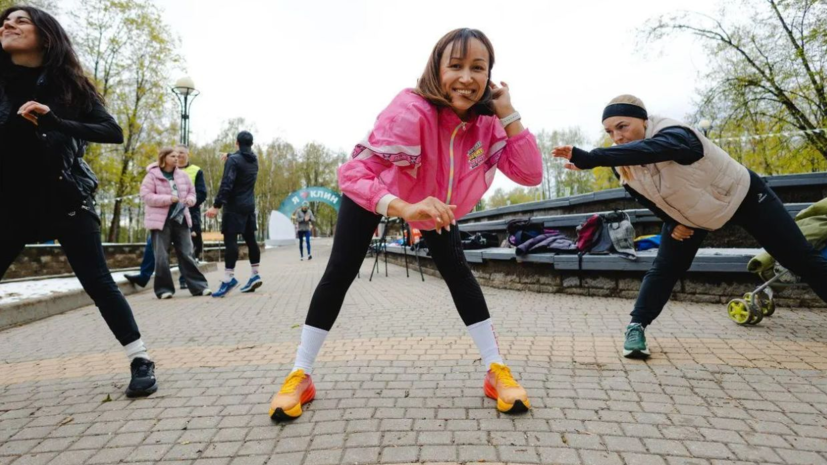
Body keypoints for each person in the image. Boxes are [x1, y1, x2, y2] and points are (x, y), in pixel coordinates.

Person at [267, 28, 543, 421]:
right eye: (456, 66)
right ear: (437, 69)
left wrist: (508, 113)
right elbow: (353, 174)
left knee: (459, 274)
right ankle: (300, 373)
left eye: (477, 68)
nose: (466, 77)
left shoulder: (487, 123)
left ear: (489, 76)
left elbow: (530, 174)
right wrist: (402, 207)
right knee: (340, 272)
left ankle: (495, 369)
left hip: (436, 205)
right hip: (379, 193)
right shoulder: (411, 108)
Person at [553, 95, 827, 358]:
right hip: (693, 213)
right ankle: (636, 328)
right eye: (610, 132)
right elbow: (645, 196)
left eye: (622, 126)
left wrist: (594, 157)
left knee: (800, 258)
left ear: (644, 120)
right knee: (665, 269)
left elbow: (658, 149)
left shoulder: (676, 133)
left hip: (743, 196)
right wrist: (673, 221)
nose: (617, 137)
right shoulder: (621, 162)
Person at [0, 6, 157, 397]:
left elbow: (112, 131)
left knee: (99, 283)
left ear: (46, 35)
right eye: (5, 21)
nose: (7, 24)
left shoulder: (68, 85)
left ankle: (140, 359)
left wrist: (56, 122)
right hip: (11, 203)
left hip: (65, 198)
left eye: (21, 21)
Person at [125, 145, 207, 290]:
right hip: (160, 221)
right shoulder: (152, 175)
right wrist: (169, 199)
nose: (177, 159)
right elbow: (147, 196)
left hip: (181, 219)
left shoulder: (183, 175)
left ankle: (199, 287)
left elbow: (192, 192)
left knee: (187, 254)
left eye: (178, 155)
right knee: (161, 257)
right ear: (164, 158)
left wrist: (190, 200)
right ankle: (164, 289)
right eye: (173, 156)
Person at [206, 131, 262, 296]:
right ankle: (255, 274)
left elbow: (227, 183)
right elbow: (243, 159)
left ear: (236, 142)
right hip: (249, 206)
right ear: (251, 144)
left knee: (231, 242)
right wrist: (231, 155)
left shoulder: (234, 160)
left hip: (234, 207)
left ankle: (228, 278)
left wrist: (216, 206)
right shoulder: (254, 160)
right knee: (251, 240)